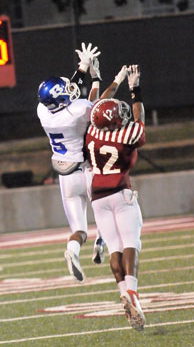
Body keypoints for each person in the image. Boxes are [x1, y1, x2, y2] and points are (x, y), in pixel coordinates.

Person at [37, 42, 128, 283]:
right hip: (86, 171)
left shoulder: (43, 111)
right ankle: (102, 241)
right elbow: (99, 105)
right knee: (107, 213)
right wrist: (101, 77)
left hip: (65, 178)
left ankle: (73, 250)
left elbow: (70, 92)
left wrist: (82, 69)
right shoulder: (77, 111)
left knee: (78, 230)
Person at [85, 64, 146, 331]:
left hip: (97, 197)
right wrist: (135, 90)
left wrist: (116, 80)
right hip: (121, 193)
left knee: (114, 248)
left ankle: (123, 293)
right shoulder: (126, 134)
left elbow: (99, 104)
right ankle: (132, 293)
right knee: (131, 242)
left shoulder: (92, 131)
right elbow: (139, 119)